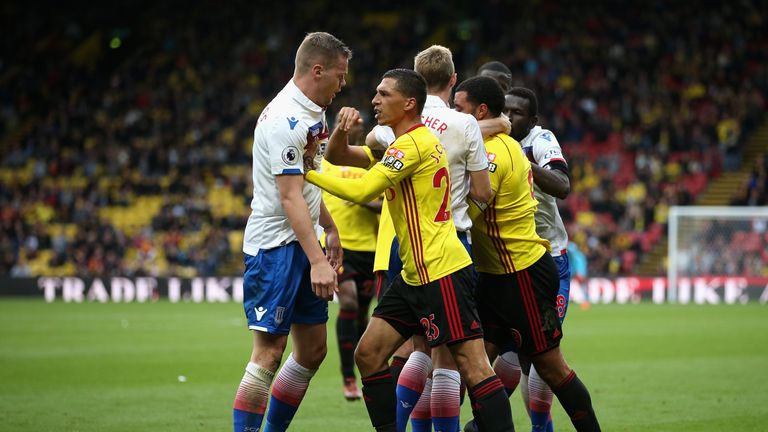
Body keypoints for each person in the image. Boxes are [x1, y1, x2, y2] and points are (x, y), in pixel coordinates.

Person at [306, 68, 514, 432]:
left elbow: (362, 191)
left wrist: (305, 171)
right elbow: (349, 158)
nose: (375, 100)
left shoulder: (413, 144)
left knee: (473, 366)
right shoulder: (409, 143)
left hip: (442, 270)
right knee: (369, 354)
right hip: (413, 274)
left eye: (384, 94)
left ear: (409, 103)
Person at [454, 76, 601, 432]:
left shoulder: (509, 150)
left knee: (547, 366)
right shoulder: (479, 147)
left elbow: (473, 209)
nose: (454, 116)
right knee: (475, 366)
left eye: (459, 110)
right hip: (493, 275)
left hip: (526, 272)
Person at [363, 45, 491, 432]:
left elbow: (369, 145)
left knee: (411, 349)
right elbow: (483, 193)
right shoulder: (465, 124)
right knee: (450, 359)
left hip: (403, 245)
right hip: (450, 245)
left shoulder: (390, 128)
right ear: (453, 80)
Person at [233, 31, 351, 432]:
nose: (343, 84)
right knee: (269, 354)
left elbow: (308, 181)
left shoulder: (313, 113)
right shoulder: (286, 119)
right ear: (317, 71)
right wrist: (318, 260)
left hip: (305, 240)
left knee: (313, 351)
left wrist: (330, 227)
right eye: (339, 75)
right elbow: (288, 197)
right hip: (275, 248)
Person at [321, 114, 381, 401]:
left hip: (372, 249)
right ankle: (347, 377)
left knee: (361, 315)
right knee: (349, 301)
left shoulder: (373, 162)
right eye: (348, 122)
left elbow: (386, 201)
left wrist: (363, 199)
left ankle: (360, 369)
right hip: (339, 247)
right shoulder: (327, 160)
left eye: (358, 122)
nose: (354, 125)